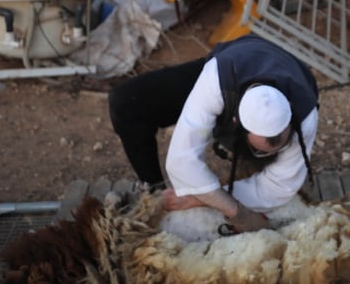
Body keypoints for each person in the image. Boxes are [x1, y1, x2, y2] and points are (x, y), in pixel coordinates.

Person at [108, 33, 320, 233]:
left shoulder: (305, 116)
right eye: (259, 148)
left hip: (279, 69)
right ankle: (154, 193)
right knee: (126, 102)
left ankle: (249, 161)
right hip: (235, 65)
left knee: (271, 198)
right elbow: (181, 161)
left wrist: (198, 198)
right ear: (233, 122)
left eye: (276, 147)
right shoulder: (214, 82)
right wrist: (235, 211)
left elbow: (279, 188)